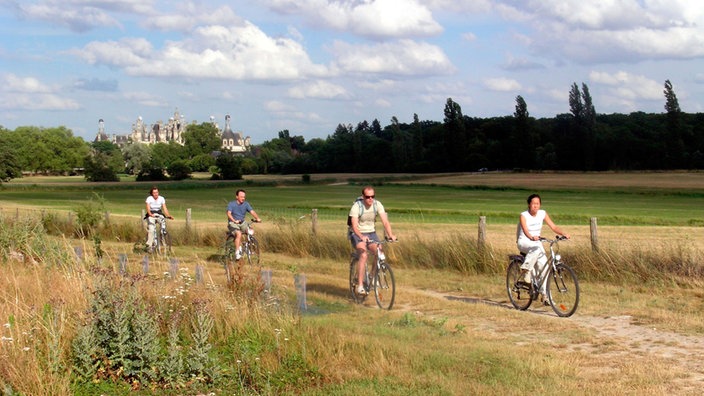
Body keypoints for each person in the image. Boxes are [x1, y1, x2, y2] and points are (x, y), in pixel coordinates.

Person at [348, 186, 397, 295]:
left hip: (371, 233)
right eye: (367, 197)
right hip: (357, 234)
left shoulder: (377, 204)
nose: (370, 199)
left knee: (379, 252)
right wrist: (361, 236)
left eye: (372, 196)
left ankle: (372, 276)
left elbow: (385, 222)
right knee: (363, 255)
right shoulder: (357, 206)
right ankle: (360, 285)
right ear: (363, 197)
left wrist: (390, 235)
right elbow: (354, 226)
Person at [516, 194, 570, 291]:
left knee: (544, 269)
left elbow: (553, 227)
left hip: (536, 243)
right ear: (529, 204)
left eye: (537, 204)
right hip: (524, 241)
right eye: (533, 204)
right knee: (536, 250)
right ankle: (526, 270)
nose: (535, 206)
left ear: (540, 205)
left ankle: (545, 295)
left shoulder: (542, 213)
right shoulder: (523, 215)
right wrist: (531, 237)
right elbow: (525, 230)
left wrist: (563, 233)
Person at [227, 189, 261, 260]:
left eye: (244, 197)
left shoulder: (246, 204)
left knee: (250, 231)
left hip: (242, 223)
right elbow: (229, 214)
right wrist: (234, 220)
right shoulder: (231, 204)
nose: (243, 198)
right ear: (237, 197)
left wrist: (257, 218)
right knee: (238, 234)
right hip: (233, 223)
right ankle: (237, 252)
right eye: (241, 196)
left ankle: (248, 246)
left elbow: (252, 211)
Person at [145, 186, 173, 251]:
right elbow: (148, 208)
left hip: (159, 214)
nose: (156, 194)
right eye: (154, 193)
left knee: (163, 226)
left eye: (157, 192)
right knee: (151, 229)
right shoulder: (149, 198)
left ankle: (163, 240)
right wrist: (150, 214)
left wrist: (168, 215)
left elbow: (164, 208)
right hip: (151, 214)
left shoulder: (161, 198)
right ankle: (149, 245)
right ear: (152, 193)